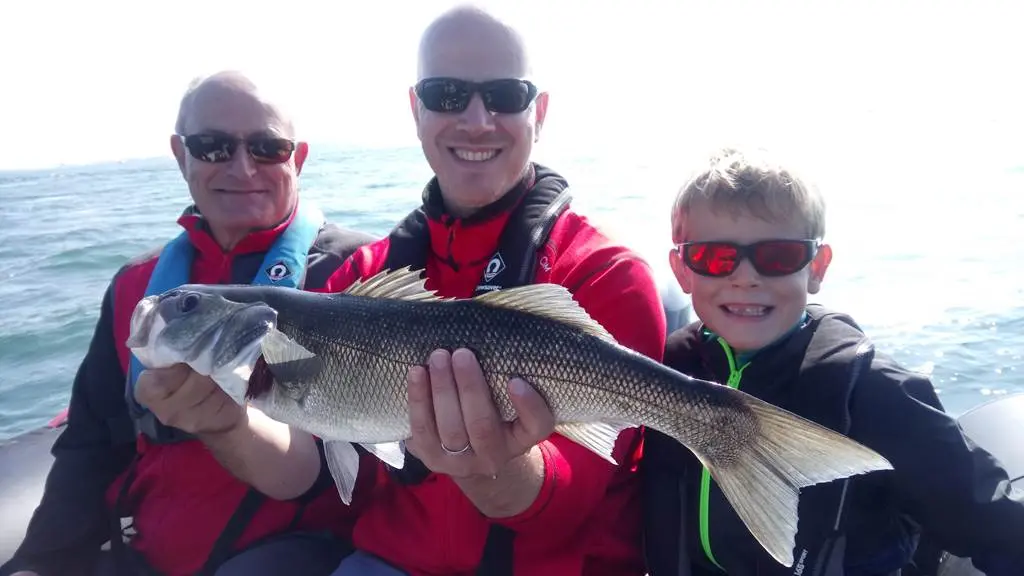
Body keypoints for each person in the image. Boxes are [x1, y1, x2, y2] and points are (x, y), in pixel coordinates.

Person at [192, 5, 668, 576]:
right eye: (446, 94)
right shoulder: (360, 281)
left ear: (538, 112)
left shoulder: (607, 275)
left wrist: (487, 467)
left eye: (504, 95)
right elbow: (318, 463)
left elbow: (571, 503)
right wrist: (225, 422)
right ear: (415, 109)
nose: (475, 119)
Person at [1, 70, 376, 576]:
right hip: (140, 543)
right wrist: (44, 561)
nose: (243, 168)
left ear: (299, 158)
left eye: (268, 147)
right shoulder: (138, 286)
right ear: (182, 156)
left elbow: (361, 467)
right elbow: (90, 442)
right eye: (213, 146)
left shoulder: (359, 272)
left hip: (287, 548)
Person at [640, 146, 1024, 576]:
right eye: (715, 257)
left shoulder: (872, 391)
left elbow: (984, 516)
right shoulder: (662, 368)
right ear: (682, 270)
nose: (745, 277)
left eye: (777, 256)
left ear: (817, 268)